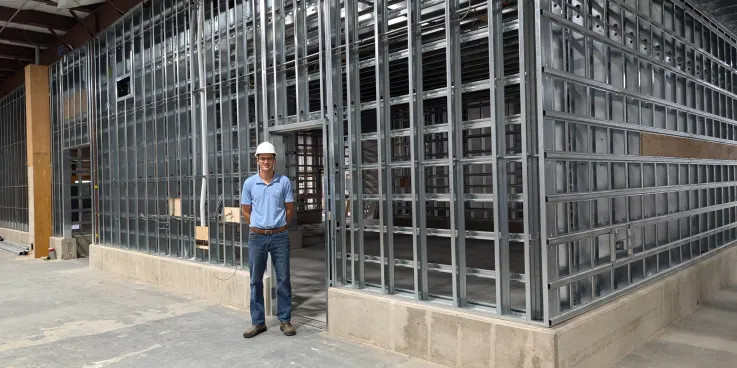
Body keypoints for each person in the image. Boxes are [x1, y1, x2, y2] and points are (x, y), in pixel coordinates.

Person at [241, 141, 296, 338]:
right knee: (255, 280)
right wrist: (259, 224)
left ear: (274, 160)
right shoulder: (249, 183)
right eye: (262, 158)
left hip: (280, 236)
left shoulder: (284, 182)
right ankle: (258, 323)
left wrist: (278, 224)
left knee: (283, 279)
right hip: (257, 237)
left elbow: (289, 209)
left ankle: (285, 320)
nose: (266, 161)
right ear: (257, 160)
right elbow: (246, 211)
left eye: (269, 158)